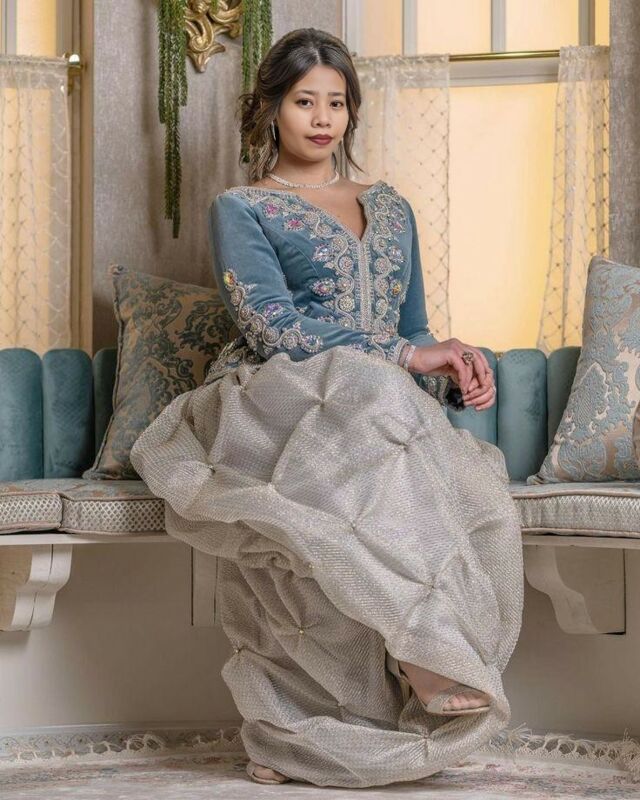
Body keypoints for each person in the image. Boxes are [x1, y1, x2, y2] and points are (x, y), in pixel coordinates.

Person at [130, 27, 524, 789]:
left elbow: (412, 329)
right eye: (304, 101)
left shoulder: (392, 207)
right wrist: (406, 359)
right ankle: (423, 651)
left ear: (352, 111)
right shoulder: (243, 207)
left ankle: (407, 686)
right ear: (271, 109)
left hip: (376, 403)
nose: (321, 119)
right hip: (274, 396)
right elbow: (271, 327)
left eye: (336, 103)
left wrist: (453, 366)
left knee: (476, 493)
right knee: (370, 395)